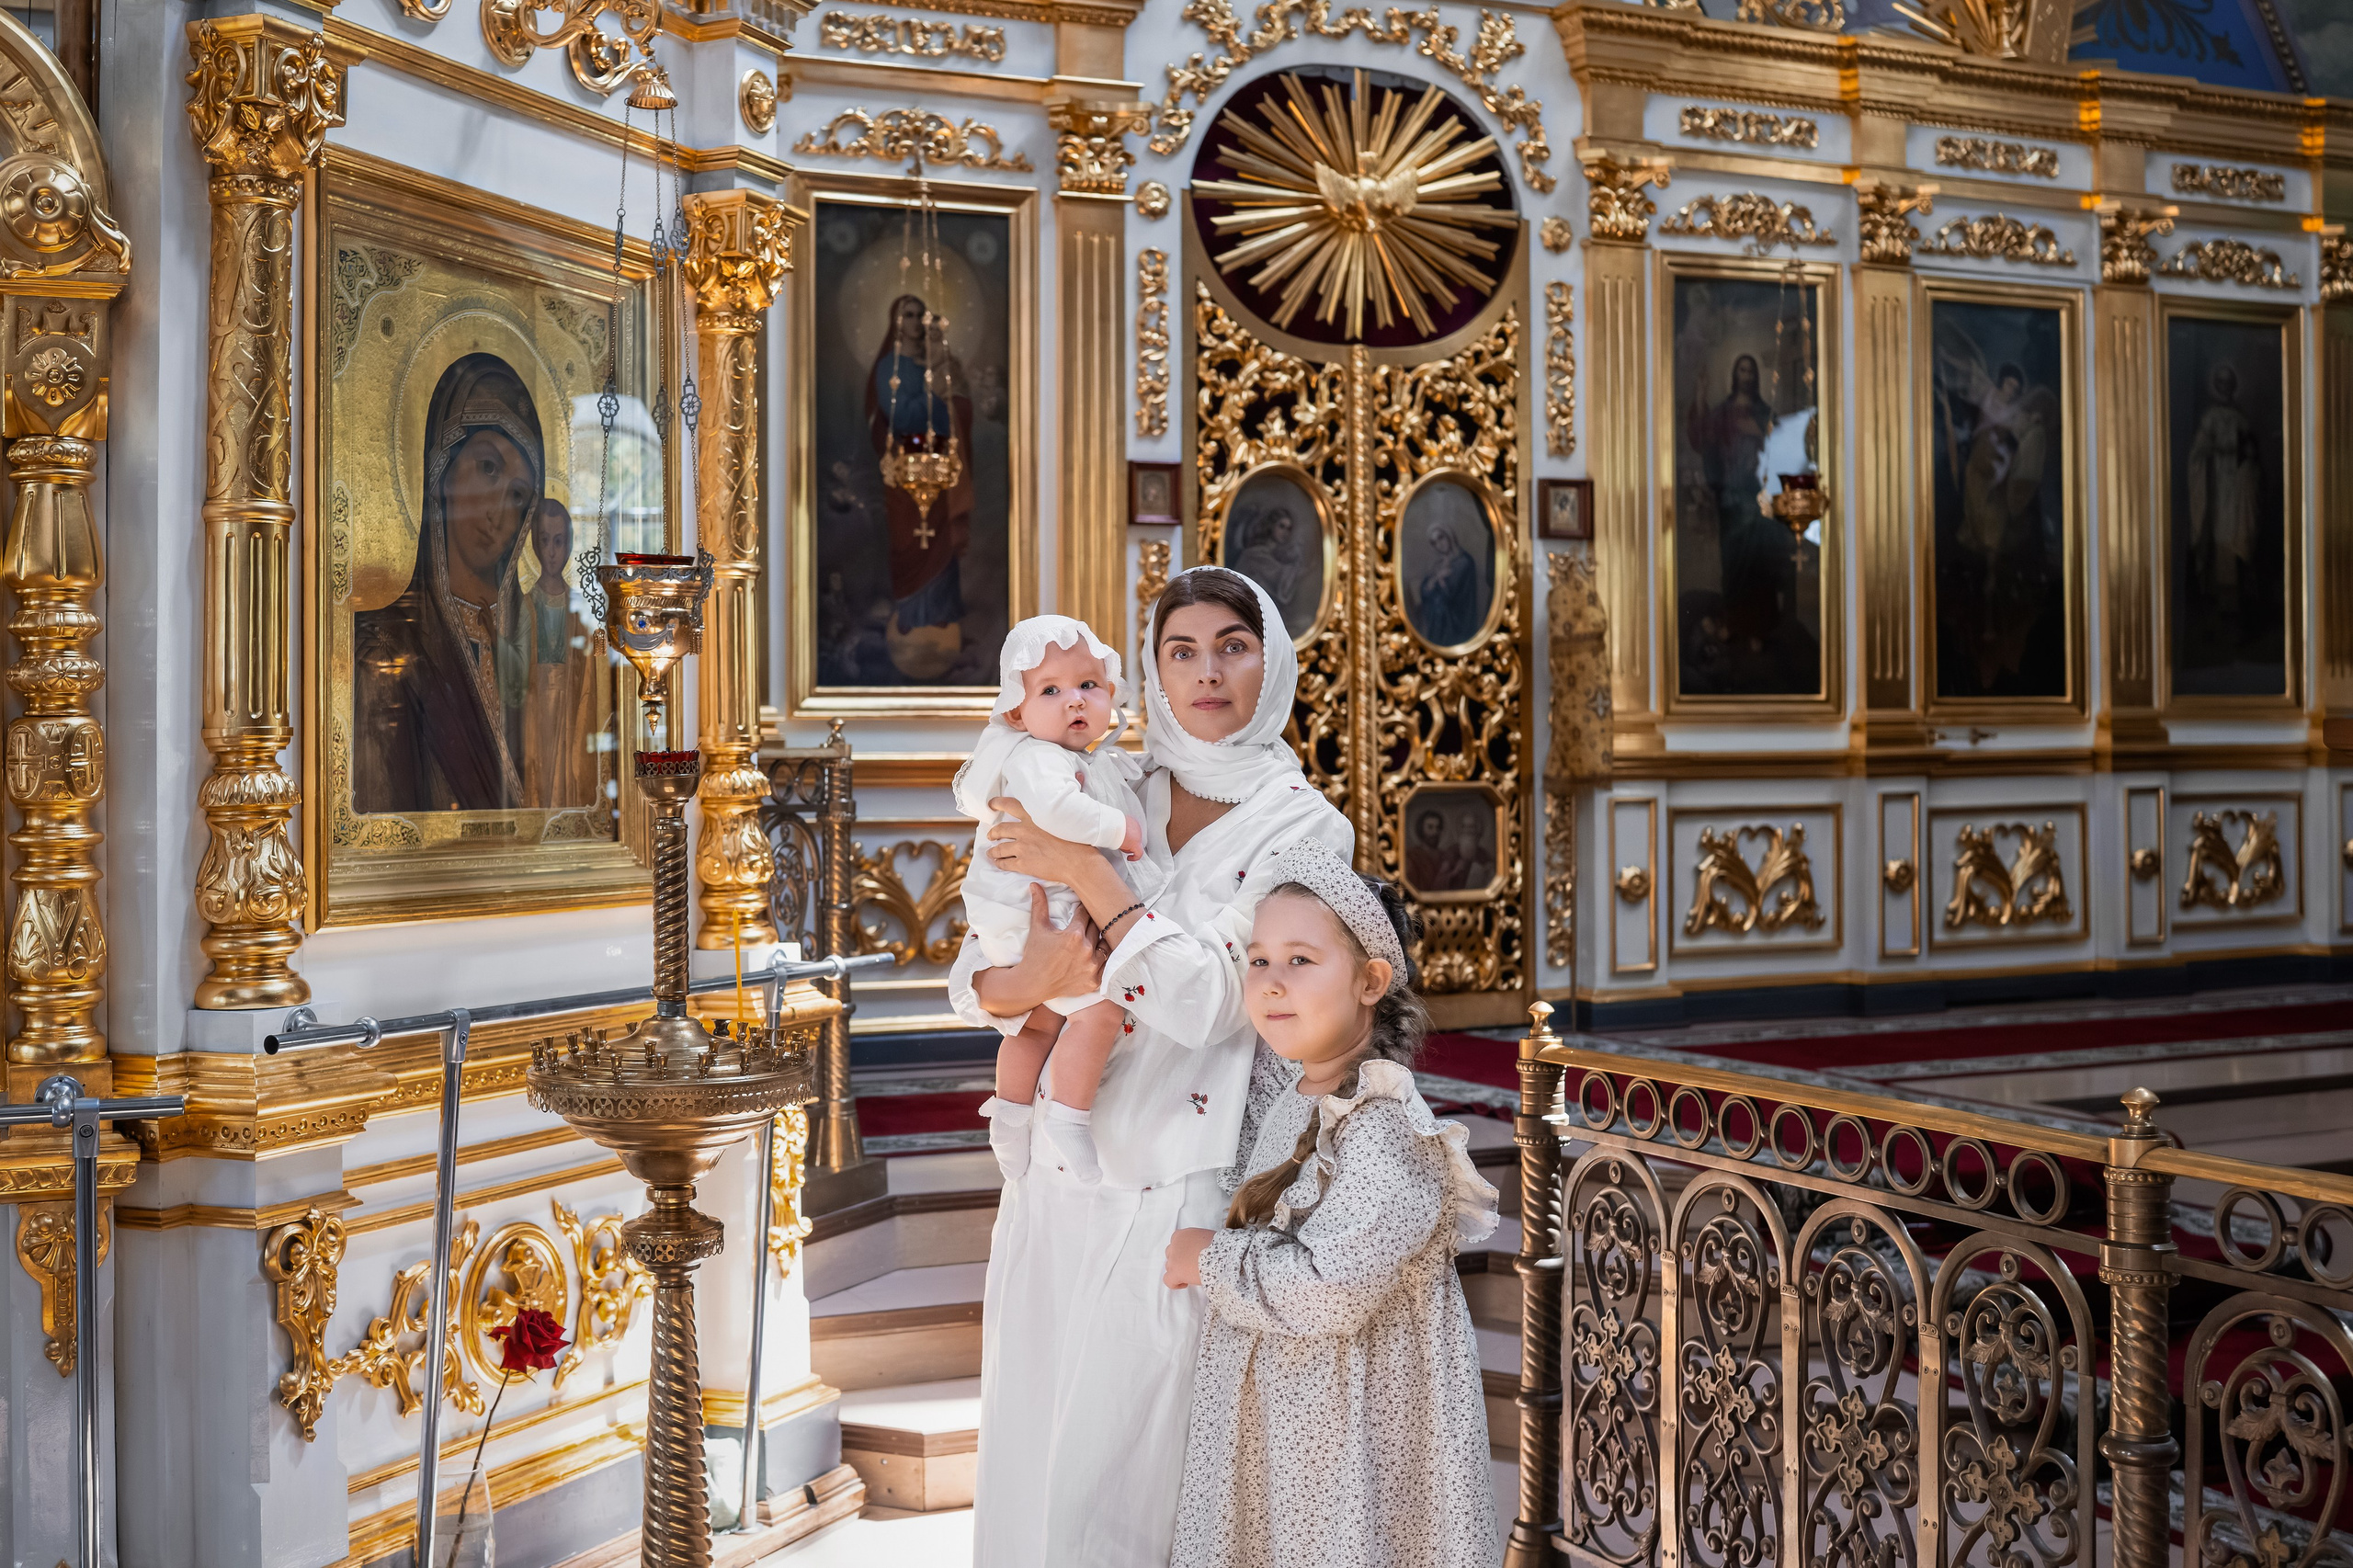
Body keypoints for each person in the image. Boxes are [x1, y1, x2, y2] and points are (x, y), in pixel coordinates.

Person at [950, 565, 1353, 1567]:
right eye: (1181, 650)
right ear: (1151, 670)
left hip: (1177, 1174)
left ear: (1275, 660)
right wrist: (1026, 979)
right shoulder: (1099, 777)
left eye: (1232, 644)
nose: (1206, 671)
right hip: (1054, 1164)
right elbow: (974, 971)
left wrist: (1087, 872)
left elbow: (1213, 996)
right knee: (1032, 1450)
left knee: (1127, 1477)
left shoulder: (1307, 826)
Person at [1162, 840, 1498, 1567]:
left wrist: (1208, 1261)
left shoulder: (1386, 1128)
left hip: (1349, 1425)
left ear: (1372, 980)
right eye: (1258, 960)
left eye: (1301, 960)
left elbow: (1330, 1289)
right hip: (1284, 1413)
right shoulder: (1295, 1092)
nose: (1272, 982)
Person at [955, 616, 1159, 1186]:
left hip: (1016, 913)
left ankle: (1011, 1118)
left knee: (1037, 1023)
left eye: (1089, 686)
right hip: (1036, 909)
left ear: (1111, 693)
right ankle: (1069, 1117)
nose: (1075, 701)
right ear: (1016, 712)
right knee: (1099, 1011)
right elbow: (1059, 815)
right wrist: (1122, 830)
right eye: (1051, 691)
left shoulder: (1082, 759)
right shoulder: (1037, 757)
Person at [354, 352, 602, 815]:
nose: (498, 511)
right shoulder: (385, 650)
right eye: (488, 467)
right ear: (442, 470)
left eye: (517, 495)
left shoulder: (522, 631)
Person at [866, 293, 974, 674]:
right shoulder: (889, 368)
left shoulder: (940, 364)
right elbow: (902, 416)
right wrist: (937, 404)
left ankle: (942, 615)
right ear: (896, 324)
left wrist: (947, 406)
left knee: (940, 539)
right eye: (907, 316)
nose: (914, 322)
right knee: (909, 540)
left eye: (919, 316)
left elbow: (959, 408)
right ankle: (910, 614)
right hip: (904, 475)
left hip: (941, 470)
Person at [2188, 361, 2261, 621]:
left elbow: (2252, 453)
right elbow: (2197, 454)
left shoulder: (2241, 418)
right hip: (2216, 486)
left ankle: (2236, 606)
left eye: (2229, 382)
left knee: (2236, 536)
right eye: (2221, 382)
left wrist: (2247, 462)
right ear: (2217, 386)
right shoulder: (2210, 418)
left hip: (2237, 487)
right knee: (2219, 536)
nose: (2225, 387)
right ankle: (2217, 604)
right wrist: (2213, 454)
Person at [1410, 520, 1482, 645]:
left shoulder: (1464, 561)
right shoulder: (1439, 564)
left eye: (1441, 538)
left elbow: (1450, 594)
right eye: (1434, 543)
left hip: (1457, 620)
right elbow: (1425, 590)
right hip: (1439, 621)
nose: (1439, 544)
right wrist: (1436, 579)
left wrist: (1438, 581)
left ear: (1449, 536)